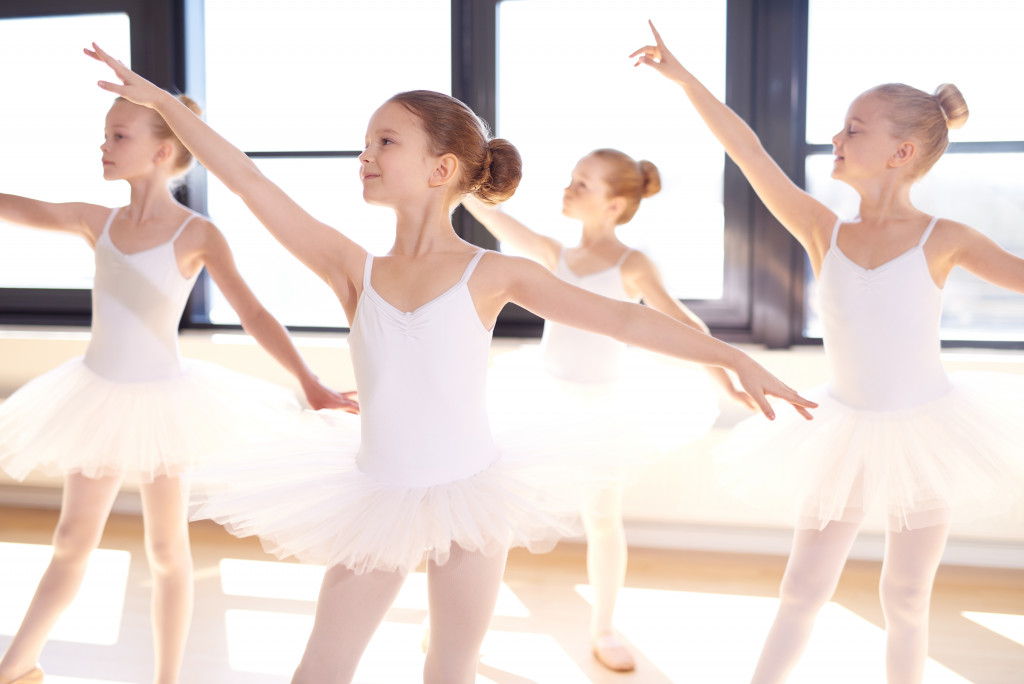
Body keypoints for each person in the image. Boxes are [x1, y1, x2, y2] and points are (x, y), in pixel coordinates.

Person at [86, 43, 815, 684]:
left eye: (385, 141)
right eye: (366, 141)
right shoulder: (351, 269)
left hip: (472, 494)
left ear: (440, 168)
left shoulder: (491, 274)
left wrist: (727, 355)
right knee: (318, 671)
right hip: (378, 491)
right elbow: (248, 180)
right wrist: (157, 101)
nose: (365, 154)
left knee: (450, 670)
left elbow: (623, 316)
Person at [632, 21, 1024, 684]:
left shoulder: (945, 236)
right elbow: (749, 152)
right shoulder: (823, 231)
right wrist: (682, 77)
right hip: (839, 428)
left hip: (927, 429)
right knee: (803, 587)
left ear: (900, 152)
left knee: (905, 596)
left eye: (853, 128)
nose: (837, 139)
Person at [0, 88, 355, 684]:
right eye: (106, 134)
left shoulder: (196, 234)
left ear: (164, 151)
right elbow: (19, 205)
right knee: (70, 539)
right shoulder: (97, 220)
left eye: (120, 136)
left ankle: (167, 678)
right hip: (95, 396)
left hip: (165, 404)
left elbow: (256, 314)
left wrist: (309, 380)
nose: (105, 146)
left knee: (167, 552)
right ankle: (17, 665)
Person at [462, 151, 755, 672]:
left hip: (603, 407)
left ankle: (602, 627)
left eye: (582, 183)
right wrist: (457, 186)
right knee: (498, 511)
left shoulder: (632, 265)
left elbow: (683, 323)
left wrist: (726, 377)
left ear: (614, 204)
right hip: (543, 395)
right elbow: (496, 221)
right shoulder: (555, 254)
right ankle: (462, 622)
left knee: (602, 517)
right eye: (570, 178)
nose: (568, 188)